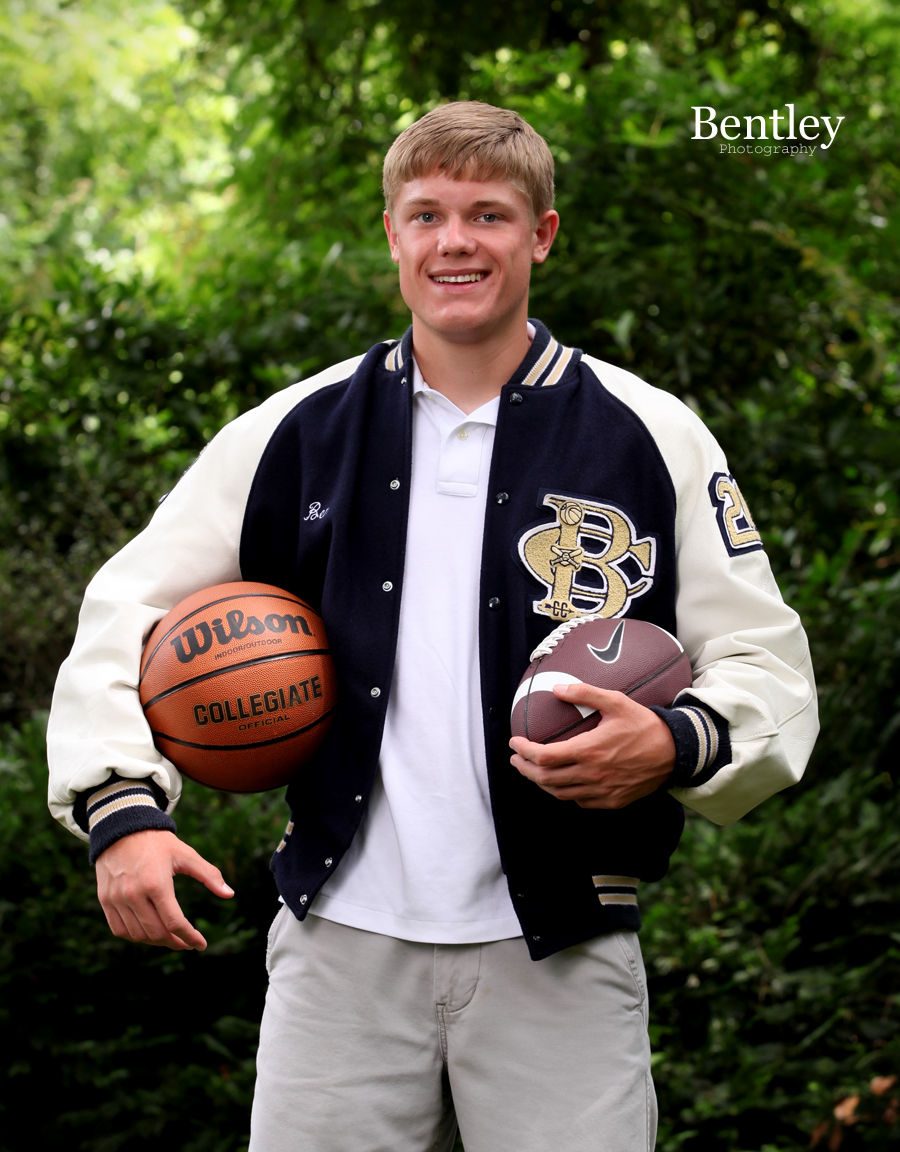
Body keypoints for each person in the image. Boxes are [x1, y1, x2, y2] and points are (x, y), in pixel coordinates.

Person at [47, 102, 818, 1152]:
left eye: (489, 215)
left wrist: (676, 740)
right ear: (392, 233)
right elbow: (125, 609)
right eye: (427, 214)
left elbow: (764, 662)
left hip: (564, 942)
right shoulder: (298, 431)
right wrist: (121, 809)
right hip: (341, 949)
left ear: (541, 235)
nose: (455, 241)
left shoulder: (648, 433)